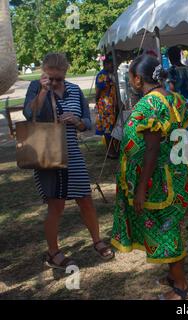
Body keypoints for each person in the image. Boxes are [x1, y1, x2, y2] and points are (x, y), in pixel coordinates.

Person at [111, 54, 188, 300]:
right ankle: (172, 275)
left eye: (130, 78)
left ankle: (181, 288)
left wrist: (141, 188)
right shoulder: (176, 98)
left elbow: (152, 149)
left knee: (165, 230)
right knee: (169, 224)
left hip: (158, 180)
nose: (131, 82)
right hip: (176, 174)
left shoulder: (149, 105)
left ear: (138, 79)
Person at [23, 53, 114, 269]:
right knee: (56, 205)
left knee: (85, 198)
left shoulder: (74, 90)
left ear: (65, 74)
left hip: (72, 152)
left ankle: (97, 241)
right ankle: (53, 253)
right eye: (50, 78)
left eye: (58, 79)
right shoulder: (36, 87)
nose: (54, 83)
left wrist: (76, 122)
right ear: (44, 72)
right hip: (47, 153)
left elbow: (86, 123)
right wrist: (44, 91)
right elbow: (29, 113)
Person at [166, 46, 188, 122]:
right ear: (179, 55)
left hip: (179, 106)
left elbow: (171, 89)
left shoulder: (171, 71)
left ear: (170, 57)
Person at [95, 54, 119, 158]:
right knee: (108, 129)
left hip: (112, 106)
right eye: (111, 64)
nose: (113, 66)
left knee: (114, 128)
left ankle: (115, 149)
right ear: (105, 64)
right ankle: (110, 151)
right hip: (105, 107)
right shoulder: (102, 75)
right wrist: (97, 101)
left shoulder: (111, 74)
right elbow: (99, 91)